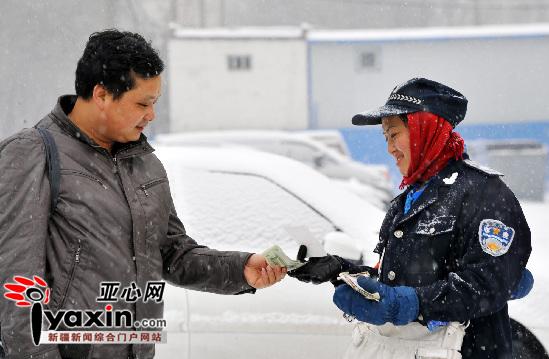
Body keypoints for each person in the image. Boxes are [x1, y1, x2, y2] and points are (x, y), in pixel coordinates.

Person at [0, 29, 286, 359]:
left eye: (155, 103)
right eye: (142, 103)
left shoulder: (144, 165)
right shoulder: (31, 154)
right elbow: (14, 287)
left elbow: (173, 254)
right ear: (102, 95)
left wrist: (241, 269)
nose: (151, 115)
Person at [290, 78, 532, 358]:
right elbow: (398, 282)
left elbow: (490, 284)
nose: (389, 148)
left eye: (394, 135)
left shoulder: (483, 193)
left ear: (424, 129)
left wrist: (408, 304)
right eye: (386, 138)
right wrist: (340, 272)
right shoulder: (410, 196)